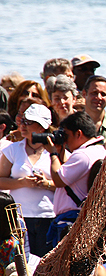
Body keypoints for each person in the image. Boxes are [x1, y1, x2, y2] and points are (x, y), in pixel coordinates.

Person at [0, 104, 56, 256]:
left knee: (44, 264)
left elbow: (67, 181)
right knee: (22, 264)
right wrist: (21, 183)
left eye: (29, 122)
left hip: (48, 215)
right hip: (19, 217)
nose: (23, 125)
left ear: (42, 127)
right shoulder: (13, 149)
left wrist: (47, 184)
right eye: (23, 121)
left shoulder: (56, 150)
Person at [45, 111, 106, 248]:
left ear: (78, 134)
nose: (65, 140)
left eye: (66, 135)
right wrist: (60, 151)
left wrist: (53, 153)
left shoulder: (83, 155)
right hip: (82, 218)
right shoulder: (99, 150)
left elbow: (58, 179)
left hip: (71, 221)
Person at [81, 75, 106, 142]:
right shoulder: (71, 124)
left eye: (103, 94)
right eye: (94, 93)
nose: (99, 97)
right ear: (84, 94)